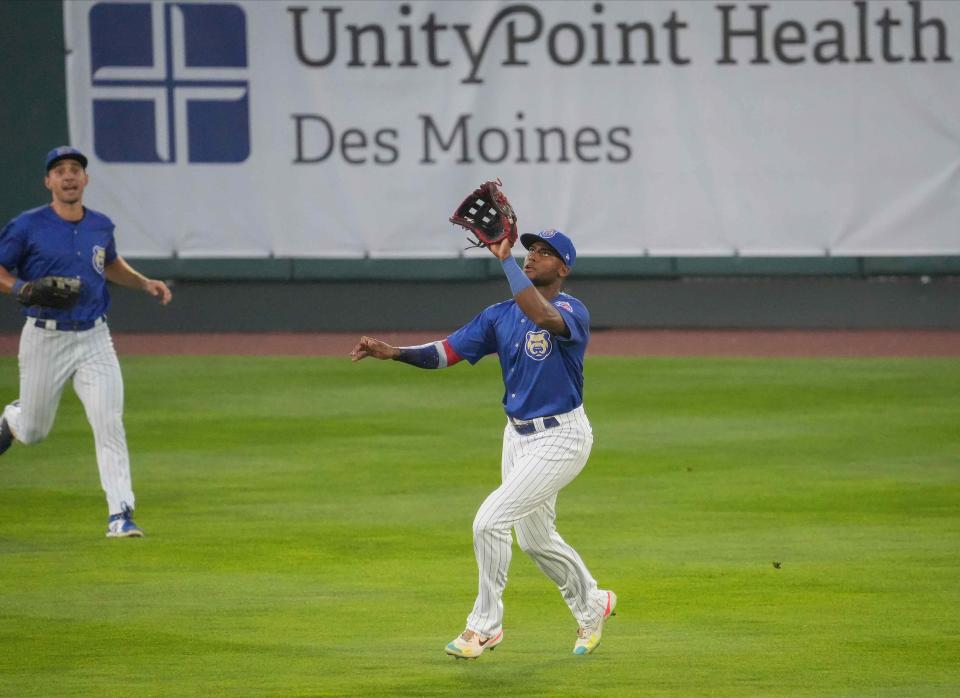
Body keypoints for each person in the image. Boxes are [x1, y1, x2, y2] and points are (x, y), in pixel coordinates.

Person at [350, 228, 616, 657]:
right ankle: (593, 603)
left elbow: (542, 316)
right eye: (530, 251)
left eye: (545, 254)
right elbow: (446, 352)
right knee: (535, 540)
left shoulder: (571, 310)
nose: (532, 257)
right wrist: (394, 352)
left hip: (563, 436)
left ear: (563, 268)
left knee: (489, 521)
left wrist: (505, 261)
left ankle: (484, 627)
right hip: (517, 436)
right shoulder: (498, 315)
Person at [0, 146, 172, 538]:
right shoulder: (27, 227)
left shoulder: (100, 225)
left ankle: (120, 514)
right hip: (45, 337)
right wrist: (22, 289)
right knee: (34, 430)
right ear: (49, 182)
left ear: (86, 178)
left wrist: (143, 282)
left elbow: (108, 263)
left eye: (75, 169)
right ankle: (13, 417)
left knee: (109, 423)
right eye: (59, 170)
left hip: (95, 337)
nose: (68, 176)